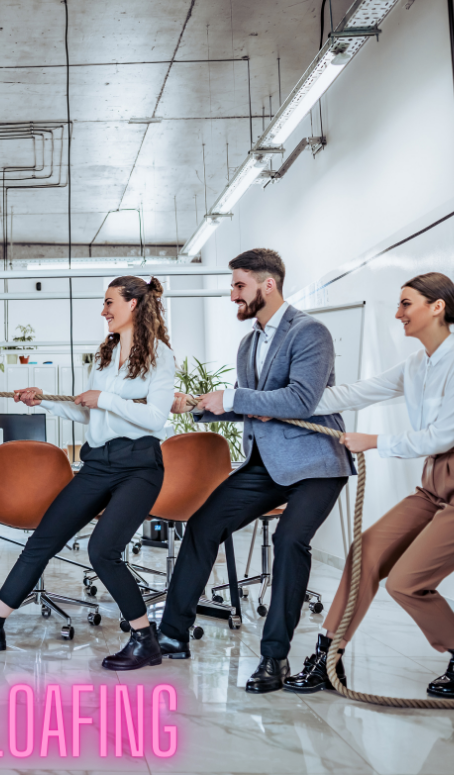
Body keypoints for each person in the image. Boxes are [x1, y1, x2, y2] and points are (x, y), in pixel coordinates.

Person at [0, 276, 175, 671]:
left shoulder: (159, 356)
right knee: (42, 540)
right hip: (98, 463)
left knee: (102, 550)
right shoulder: (106, 355)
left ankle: (144, 639)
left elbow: (155, 417)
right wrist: (44, 403)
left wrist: (104, 398)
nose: (103, 311)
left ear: (134, 304)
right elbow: (88, 410)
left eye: (109, 303)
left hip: (138, 466)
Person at [168, 248, 354, 693]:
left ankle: (275, 658)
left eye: (238, 285)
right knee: (203, 524)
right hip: (266, 461)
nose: (232, 294)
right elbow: (255, 409)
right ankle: (172, 634)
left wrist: (231, 398)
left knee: (289, 539)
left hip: (315, 461)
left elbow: (298, 401)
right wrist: (200, 407)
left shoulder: (311, 332)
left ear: (267, 284)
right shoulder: (249, 341)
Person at [284, 272, 454, 700]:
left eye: (406, 304)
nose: (397, 313)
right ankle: (327, 659)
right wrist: (279, 404)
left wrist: (375, 441)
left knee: (406, 582)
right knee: (365, 554)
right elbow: (355, 393)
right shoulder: (418, 364)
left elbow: (443, 435)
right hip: (434, 486)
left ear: (438, 307)